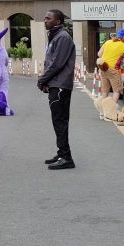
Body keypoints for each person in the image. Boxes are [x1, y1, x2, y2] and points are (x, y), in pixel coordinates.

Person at [37, 10, 76, 169]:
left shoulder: (63, 37)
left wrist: (42, 79)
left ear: (58, 22)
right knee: (58, 120)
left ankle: (66, 157)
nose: (45, 20)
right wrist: (47, 81)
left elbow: (57, 63)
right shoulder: (55, 36)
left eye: (48, 18)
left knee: (60, 121)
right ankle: (62, 153)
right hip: (56, 83)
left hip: (60, 85)